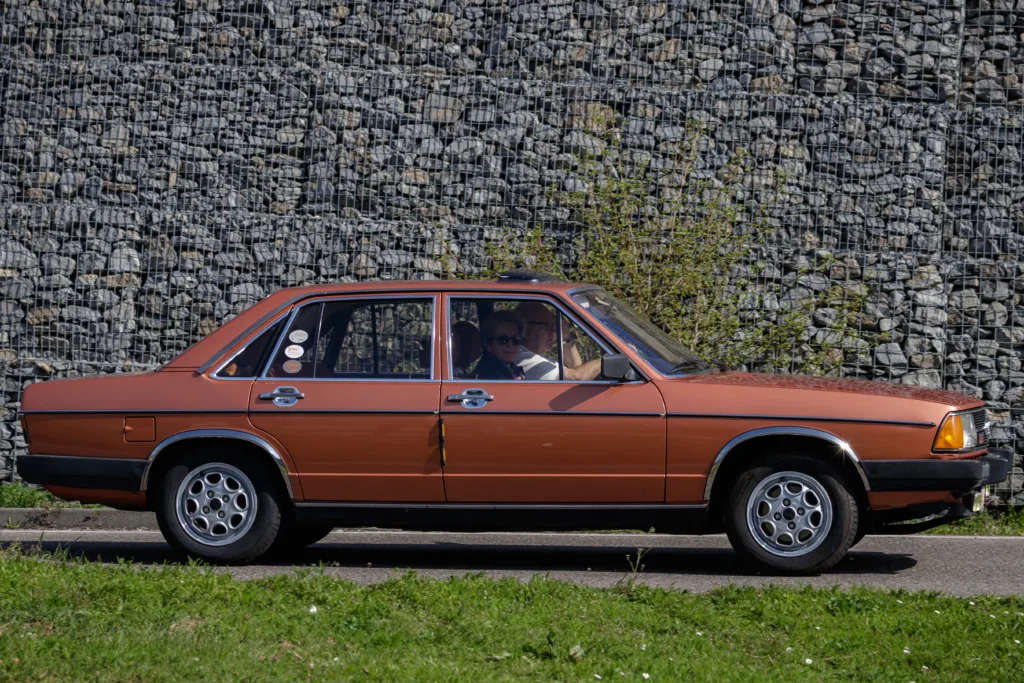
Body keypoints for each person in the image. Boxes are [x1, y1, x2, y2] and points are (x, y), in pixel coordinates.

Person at [514, 301, 602, 381]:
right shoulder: (524, 359)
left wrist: (565, 337)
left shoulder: (531, 356)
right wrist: (610, 359)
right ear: (525, 329)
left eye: (553, 325)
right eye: (547, 325)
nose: (553, 331)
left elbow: (575, 366)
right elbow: (576, 377)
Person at [473, 310, 527, 380]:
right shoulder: (489, 375)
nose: (510, 345)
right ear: (488, 344)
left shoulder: (513, 370)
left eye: (515, 339)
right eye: (502, 339)